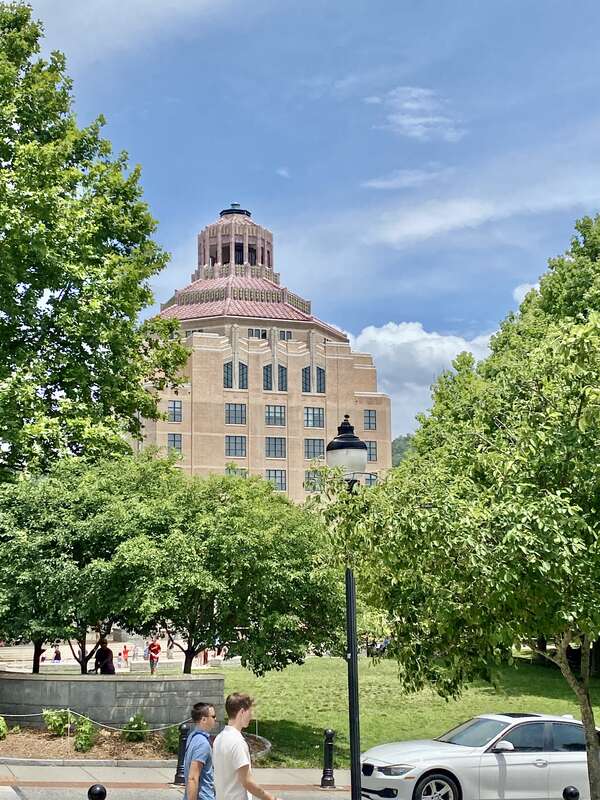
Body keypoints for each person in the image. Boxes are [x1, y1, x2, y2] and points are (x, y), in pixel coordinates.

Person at [213, 693, 281, 800]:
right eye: (250, 712)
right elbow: (247, 781)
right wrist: (271, 798)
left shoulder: (219, 738)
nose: (251, 716)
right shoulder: (238, 742)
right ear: (242, 712)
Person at [184, 702, 218, 800]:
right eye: (213, 716)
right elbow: (193, 778)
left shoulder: (192, 736)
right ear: (204, 719)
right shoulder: (202, 743)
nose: (215, 719)